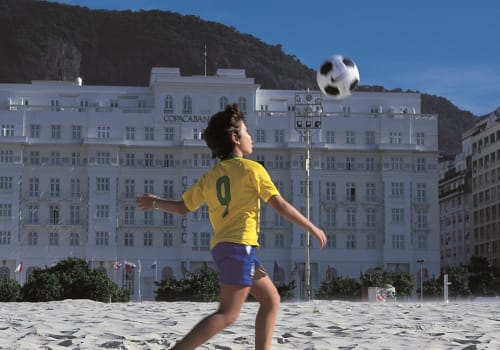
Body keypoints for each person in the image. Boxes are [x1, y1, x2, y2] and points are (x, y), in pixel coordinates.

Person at [136, 104, 327, 350]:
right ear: (236, 139)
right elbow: (280, 206)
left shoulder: (210, 176)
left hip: (227, 248)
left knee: (270, 300)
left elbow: (184, 207)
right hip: (239, 248)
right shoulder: (253, 169)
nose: (251, 137)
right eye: (247, 132)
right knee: (228, 314)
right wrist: (312, 227)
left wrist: (155, 202)